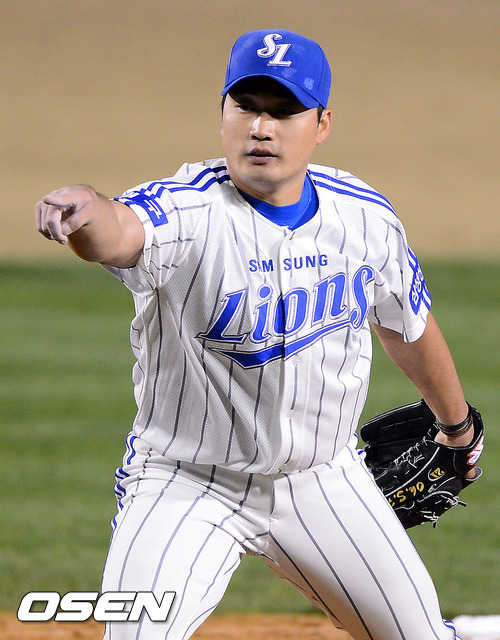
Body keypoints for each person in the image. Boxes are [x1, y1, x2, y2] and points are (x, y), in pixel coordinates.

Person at [36, 28, 475, 640]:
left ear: (321, 124)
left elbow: (407, 327)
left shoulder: (365, 218)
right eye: (246, 107)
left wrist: (457, 426)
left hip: (323, 480)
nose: (261, 128)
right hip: (187, 483)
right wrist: (87, 208)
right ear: (223, 114)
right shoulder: (189, 210)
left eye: (283, 111)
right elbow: (120, 230)